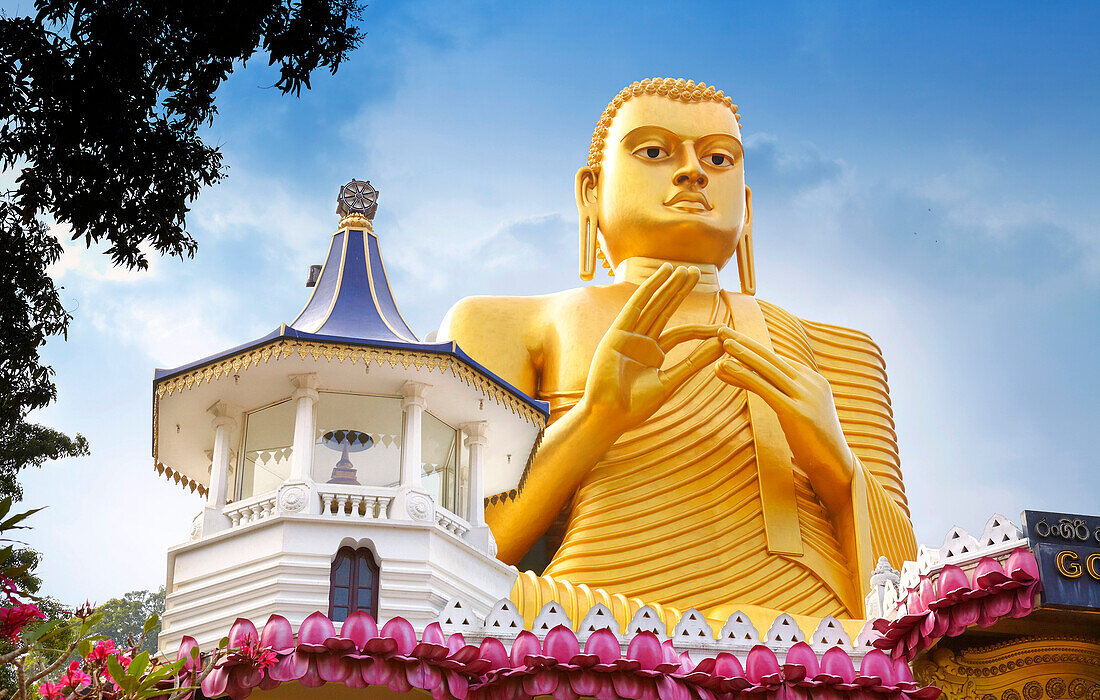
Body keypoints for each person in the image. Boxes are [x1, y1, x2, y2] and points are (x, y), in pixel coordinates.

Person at [438, 78, 915, 622]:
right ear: (591, 191)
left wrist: (831, 459)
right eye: (654, 151)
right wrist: (597, 419)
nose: (692, 172)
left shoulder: (838, 351)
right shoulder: (507, 324)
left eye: (718, 157)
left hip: (807, 639)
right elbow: (455, 558)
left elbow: (903, 592)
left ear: (747, 204)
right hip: (591, 625)